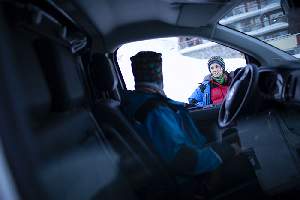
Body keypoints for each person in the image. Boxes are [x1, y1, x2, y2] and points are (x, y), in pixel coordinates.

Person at [121, 51, 259, 197]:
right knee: (251, 161)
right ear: (159, 75)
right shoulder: (155, 111)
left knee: (235, 139)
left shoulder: (139, 101)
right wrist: (227, 150)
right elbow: (184, 160)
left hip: (197, 162)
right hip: (196, 180)